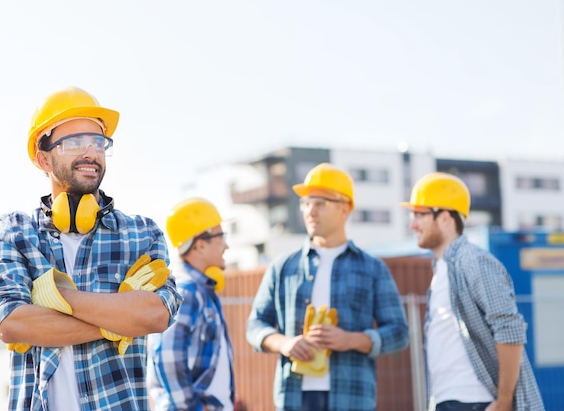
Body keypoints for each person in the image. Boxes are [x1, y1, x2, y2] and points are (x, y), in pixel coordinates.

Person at [0, 86, 183, 410]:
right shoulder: (12, 232)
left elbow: (156, 315)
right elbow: (12, 324)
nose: (92, 151)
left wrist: (53, 298)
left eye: (100, 142)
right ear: (42, 157)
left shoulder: (141, 233)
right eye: (75, 142)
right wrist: (119, 320)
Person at [246, 162, 409, 411]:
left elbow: (399, 332)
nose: (310, 211)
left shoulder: (372, 269)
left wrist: (352, 340)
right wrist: (285, 344)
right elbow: (255, 325)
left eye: (321, 203)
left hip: (352, 398)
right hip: (294, 397)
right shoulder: (282, 267)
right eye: (306, 203)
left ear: (345, 208)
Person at [401, 172, 544, 411]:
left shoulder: (472, 261)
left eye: (420, 214)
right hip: (446, 400)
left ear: (445, 217)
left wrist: (504, 402)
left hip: (474, 401)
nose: (412, 223)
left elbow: (509, 328)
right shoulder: (440, 272)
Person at [147, 197, 236, 410]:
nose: (226, 245)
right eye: (221, 236)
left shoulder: (202, 289)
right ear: (200, 245)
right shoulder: (187, 291)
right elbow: (167, 356)